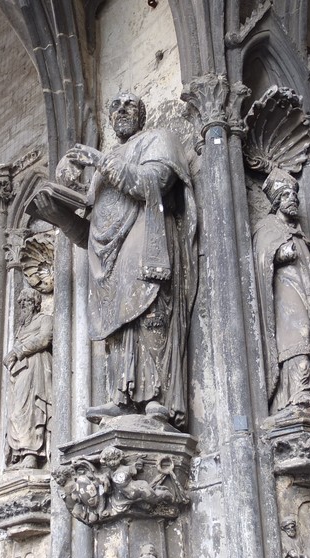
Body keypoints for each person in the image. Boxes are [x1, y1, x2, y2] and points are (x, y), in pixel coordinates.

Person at [36, 92, 197, 426]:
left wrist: (99, 161)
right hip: (110, 263)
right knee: (117, 329)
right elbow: (90, 234)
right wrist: (61, 218)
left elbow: (151, 183)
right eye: (114, 106)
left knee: (150, 314)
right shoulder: (102, 170)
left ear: (142, 113)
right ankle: (122, 398)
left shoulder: (157, 140)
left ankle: (157, 398)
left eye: (129, 104)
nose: (121, 110)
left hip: (146, 244)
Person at [253, 168, 310, 413]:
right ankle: (294, 392)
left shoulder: (299, 234)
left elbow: (308, 260)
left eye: (294, 195)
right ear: (277, 201)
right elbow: (262, 257)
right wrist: (280, 253)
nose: (293, 199)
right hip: (284, 293)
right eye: (287, 195)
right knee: (297, 336)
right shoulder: (267, 228)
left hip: (303, 289)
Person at [4, 288, 53, 468]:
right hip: (19, 372)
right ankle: (21, 452)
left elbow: (45, 338)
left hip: (36, 368)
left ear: (34, 304)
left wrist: (17, 351)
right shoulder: (21, 328)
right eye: (21, 303)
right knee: (16, 412)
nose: (22, 306)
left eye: (26, 302)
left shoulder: (45, 319)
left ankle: (32, 454)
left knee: (32, 408)